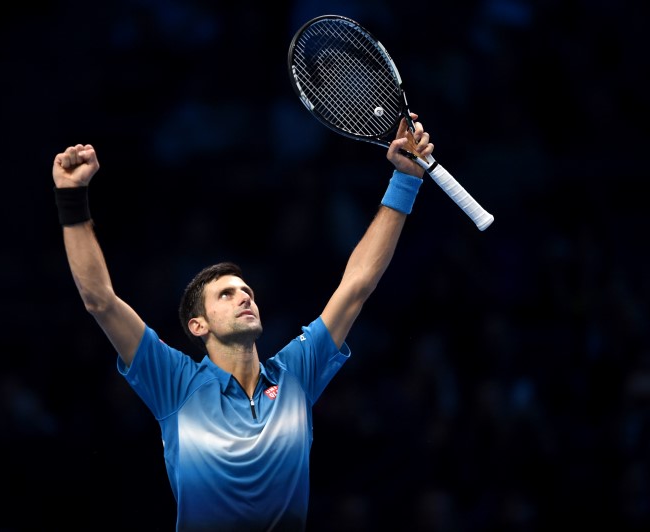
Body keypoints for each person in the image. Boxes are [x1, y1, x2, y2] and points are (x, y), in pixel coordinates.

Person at [51, 113, 433, 531]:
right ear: (199, 326)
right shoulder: (175, 383)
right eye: (226, 294)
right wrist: (72, 198)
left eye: (246, 290)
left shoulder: (295, 374)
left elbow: (356, 285)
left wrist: (406, 179)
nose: (244, 296)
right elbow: (100, 301)